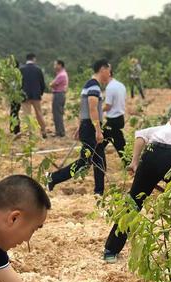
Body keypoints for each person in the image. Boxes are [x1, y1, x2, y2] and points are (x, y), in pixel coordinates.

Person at [103, 122, 171, 262]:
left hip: (150, 152)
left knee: (133, 202)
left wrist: (135, 162)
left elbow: (141, 135)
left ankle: (110, 250)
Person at [48, 59, 111, 195]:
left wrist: (80, 125)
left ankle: (99, 192)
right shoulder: (94, 86)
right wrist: (98, 130)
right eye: (109, 71)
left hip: (87, 125)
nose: (109, 74)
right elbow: (92, 108)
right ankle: (53, 178)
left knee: (99, 159)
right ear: (103, 69)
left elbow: (83, 108)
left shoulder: (89, 84)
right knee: (84, 162)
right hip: (91, 127)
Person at [20, 53, 47, 138]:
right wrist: (40, 93)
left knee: (27, 115)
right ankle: (43, 131)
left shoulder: (21, 69)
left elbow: (19, 83)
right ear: (34, 59)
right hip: (36, 95)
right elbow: (42, 83)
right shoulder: (38, 69)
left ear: (26, 59)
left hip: (25, 96)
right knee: (39, 113)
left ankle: (30, 133)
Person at [102, 69, 127, 161]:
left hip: (113, 121)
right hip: (120, 118)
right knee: (119, 144)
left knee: (119, 145)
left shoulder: (109, 88)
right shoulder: (121, 85)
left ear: (108, 74)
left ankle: (130, 164)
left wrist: (98, 110)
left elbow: (108, 106)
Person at [49, 59, 68, 137]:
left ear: (60, 65)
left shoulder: (61, 75)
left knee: (57, 114)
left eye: (55, 64)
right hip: (60, 94)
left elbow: (52, 84)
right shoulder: (61, 74)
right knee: (58, 113)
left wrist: (51, 84)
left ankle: (60, 132)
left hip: (58, 95)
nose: (54, 66)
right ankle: (59, 131)